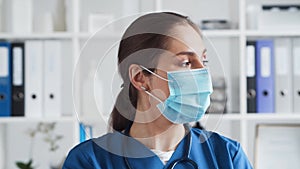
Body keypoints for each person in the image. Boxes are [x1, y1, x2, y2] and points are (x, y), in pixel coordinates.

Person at [63, 12, 253, 169]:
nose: (202, 73)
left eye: (204, 61)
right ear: (140, 78)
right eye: (186, 63)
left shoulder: (227, 156)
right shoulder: (89, 161)